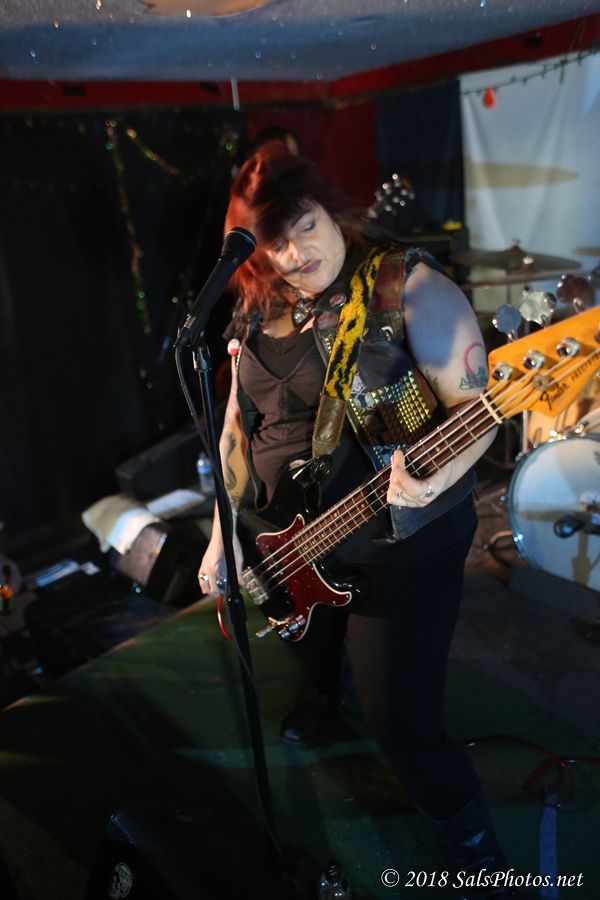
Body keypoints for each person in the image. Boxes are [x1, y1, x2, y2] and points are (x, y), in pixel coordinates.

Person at [197, 141, 512, 897]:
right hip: (281, 540)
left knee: (401, 724)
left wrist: (433, 479)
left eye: (305, 227)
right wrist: (221, 532)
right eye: (273, 243)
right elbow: (237, 423)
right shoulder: (257, 302)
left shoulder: (407, 288)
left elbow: (480, 412)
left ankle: (476, 854)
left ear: (331, 209)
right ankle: (322, 690)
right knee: (311, 646)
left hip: (399, 542)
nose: (294, 254)